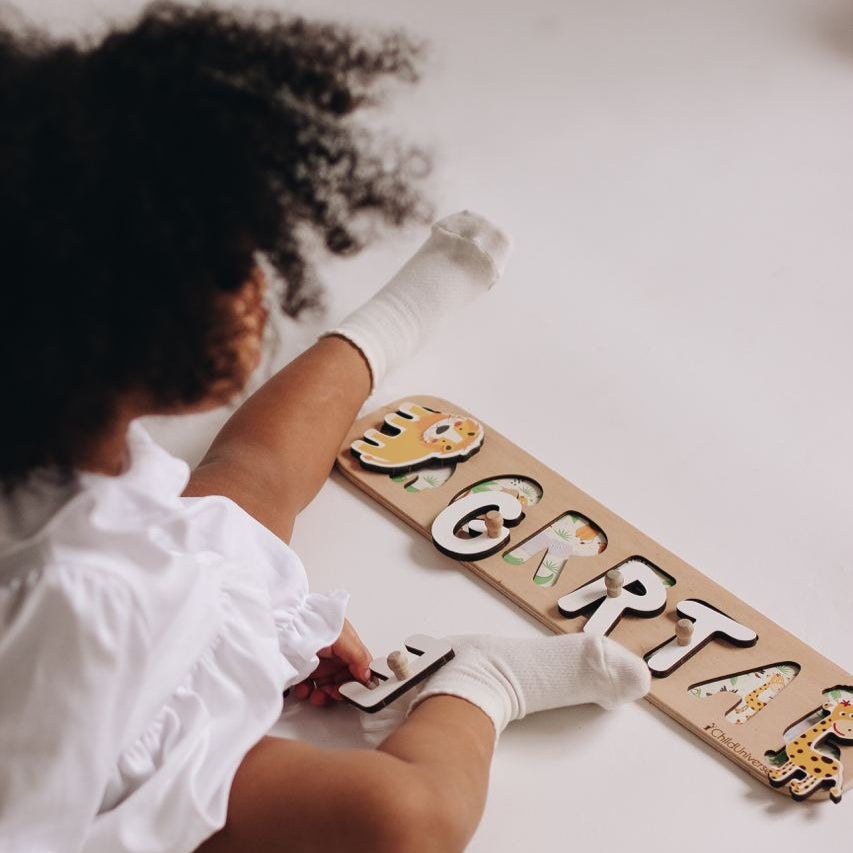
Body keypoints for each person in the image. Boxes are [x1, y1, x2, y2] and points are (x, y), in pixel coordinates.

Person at [0, 4, 650, 852]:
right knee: (406, 822)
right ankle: (477, 684)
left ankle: (389, 324)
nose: (263, 290)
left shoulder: (67, 437)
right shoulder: (78, 598)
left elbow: (152, 546)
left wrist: (251, 614)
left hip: (146, 605)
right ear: (126, 344)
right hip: (118, 748)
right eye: (239, 275)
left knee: (255, 470)